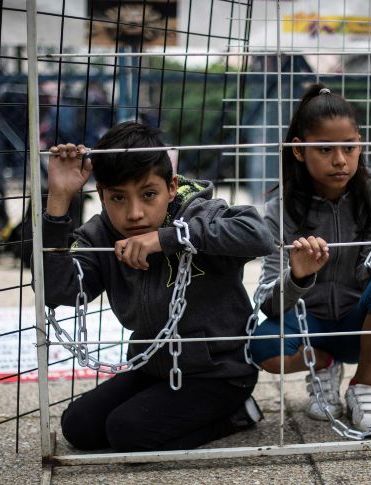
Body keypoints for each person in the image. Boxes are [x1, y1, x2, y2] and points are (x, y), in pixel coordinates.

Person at [35, 121, 275, 452]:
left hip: (220, 373)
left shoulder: (197, 212)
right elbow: (58, 291)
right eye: (118, 198)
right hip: (153, 367)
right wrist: (59, 201)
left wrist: (168, 238)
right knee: (78, 426)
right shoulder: (100, 234)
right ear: (102, 194)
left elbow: (259, 236)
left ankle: (237, 414)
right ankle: (162, 410)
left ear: (172, 187)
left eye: (149, 194)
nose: (134, 213)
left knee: (128, 433)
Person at [249, 84, 371, 433]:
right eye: (325, 148)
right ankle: (324, 364)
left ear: (360, 143)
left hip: (356, 322)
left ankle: (362, 386)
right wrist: (299, 276)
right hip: (307, 329)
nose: (340, 160)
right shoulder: (279, 209)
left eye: (350, 147)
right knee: (263, 347)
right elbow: (267, 302)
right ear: (299, 151)